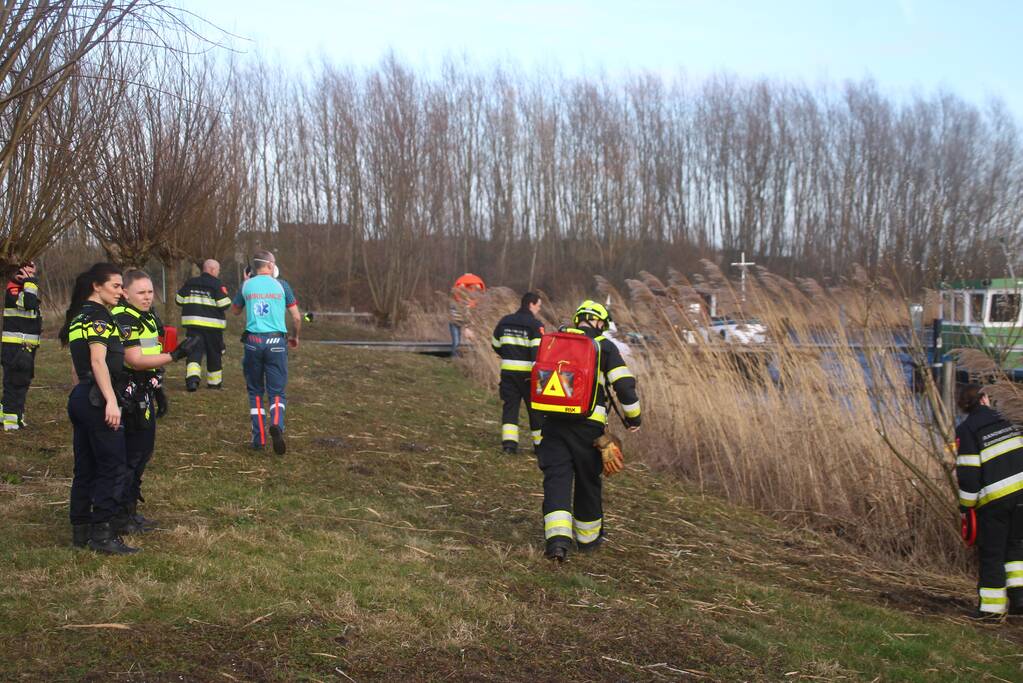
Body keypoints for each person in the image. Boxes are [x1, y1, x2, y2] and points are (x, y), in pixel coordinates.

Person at [539, 300, 641, 562]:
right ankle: (588, 541)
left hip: (553, 423)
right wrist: (634, 418)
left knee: (557, 480)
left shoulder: (555, 341)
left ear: (578, 319)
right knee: (587, 481)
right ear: (598, 322)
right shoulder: (604, 346)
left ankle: (557, 542)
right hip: (588, 428)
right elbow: (624, 386)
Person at [112, 270, 196, 534]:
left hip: (144, 389)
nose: (147, 297)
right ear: (125, 293)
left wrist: (157, 387)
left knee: (143, 453)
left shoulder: (146, 316)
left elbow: (150, 356)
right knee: (131, 455)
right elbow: (134, 359)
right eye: (141, 292)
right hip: (128, 394)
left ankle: (130, 511)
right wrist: (175, 356)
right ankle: (119, 516)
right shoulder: (124, 318)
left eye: (150, 291)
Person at [955, 384, 1023, 619]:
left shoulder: (966, 429)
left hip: (995, 502)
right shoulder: (1010, 419)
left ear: (964, 406)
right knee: (1016, 548)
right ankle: (1020, 600)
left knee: (992, 553)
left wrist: (966, 507)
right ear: (985, 399)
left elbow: (969, 474)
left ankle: (991, 611)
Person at [232, 250, 300, 455]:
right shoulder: (282, 285)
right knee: (277, 392)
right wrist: (295, 336)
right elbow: (297, 317)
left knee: (255, 392)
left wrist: (246, 284)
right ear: (270, 265)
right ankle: (277, 424)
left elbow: (235, 311)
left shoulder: (246, 286)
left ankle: (259, 438)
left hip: (253, 342)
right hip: (276, 342)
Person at [491, 292, 545, 453]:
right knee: (535, 410)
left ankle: (509, 445)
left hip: (508, 373)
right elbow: (538, 352)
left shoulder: (504, 321)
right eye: (538, 306)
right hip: (529, 376)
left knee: (510, 408)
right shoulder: (535, 325)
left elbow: (495, 344)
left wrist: (508, 354)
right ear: (531, 304)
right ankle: (540, 446)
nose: (539, 309)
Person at [176, 259, 231, 391]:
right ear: (212, 270)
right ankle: (214, 383)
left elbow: (178, 300)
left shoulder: (190, 282)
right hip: (213, 327)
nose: (218, 273)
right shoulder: (217, 284)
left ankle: (192, 381)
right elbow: (224, 304)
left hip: (193, 325)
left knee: (193, 352)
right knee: (214, 353)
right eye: (218, 270)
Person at [2, 261, 41, 431]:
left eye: (33, 271)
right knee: (15, 383)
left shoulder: (25, 288)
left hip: (25, 346)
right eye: (28, 271)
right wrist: (30, 282)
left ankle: (8, 416)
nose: (31, 274)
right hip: (16, 346)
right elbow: (29, 303)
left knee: (19, 382)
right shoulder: (14, 289)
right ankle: (12, 422)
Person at [449, 273, 485, 356]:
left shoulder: (470, 303)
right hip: (454, 322)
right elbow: (457, 314)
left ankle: (470, 356)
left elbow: (470, 314)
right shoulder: (455, 302)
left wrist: (467, 326)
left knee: (470, 340)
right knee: (456, 341)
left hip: (464, 322)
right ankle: (454, 357)